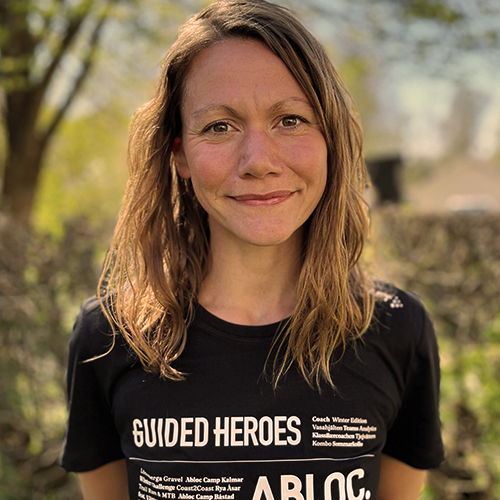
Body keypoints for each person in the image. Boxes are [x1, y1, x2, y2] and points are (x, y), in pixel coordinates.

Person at [60, 1, 444, 499]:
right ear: (180, 155)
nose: (259, 161)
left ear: (331, 140)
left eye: (290, 120)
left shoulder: (397, 332)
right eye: (220, 126)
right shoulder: (108, 339)